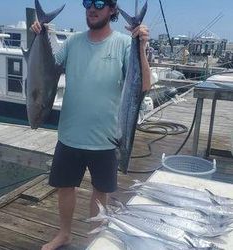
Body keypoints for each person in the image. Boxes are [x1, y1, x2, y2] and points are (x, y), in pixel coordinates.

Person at [31, 0, 151, 249]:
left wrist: (140, 45)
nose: (92, 9)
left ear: (112, 10)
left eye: (99, 3)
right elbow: (49, 67)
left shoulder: (122, 43)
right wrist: (39, 34)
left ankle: (94, 238)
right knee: (65, 188)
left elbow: (143, 86)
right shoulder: (73, 42)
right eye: (87, 3)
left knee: (100, 191)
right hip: (70, 134)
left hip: (106, 137)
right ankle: (64, 234)